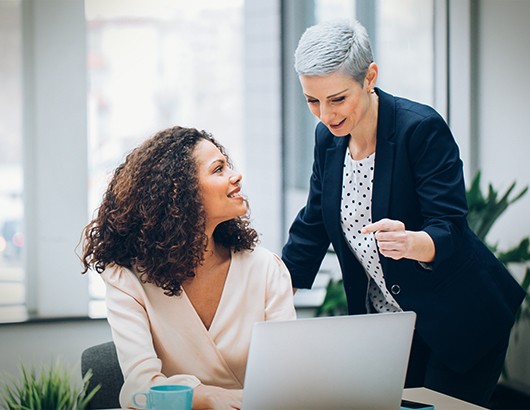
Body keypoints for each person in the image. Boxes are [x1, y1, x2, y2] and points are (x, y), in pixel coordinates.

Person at [281, 19, 525, 407]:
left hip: (460, 317)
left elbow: (451, 227)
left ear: (370, 77)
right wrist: (269, 291)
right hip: (393, 326)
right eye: (313, 100)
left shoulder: (420, 129)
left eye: (338, 99)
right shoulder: (328, 139)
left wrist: (413, 242)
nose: (325, 115)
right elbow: (313, 224)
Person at [82, 126, 296, 410]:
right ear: (180, 192)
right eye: (218, 169)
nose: (236, 176)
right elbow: (137, 391)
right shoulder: (127, 277)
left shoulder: (266, 268)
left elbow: (288, 379)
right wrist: (204, 397)